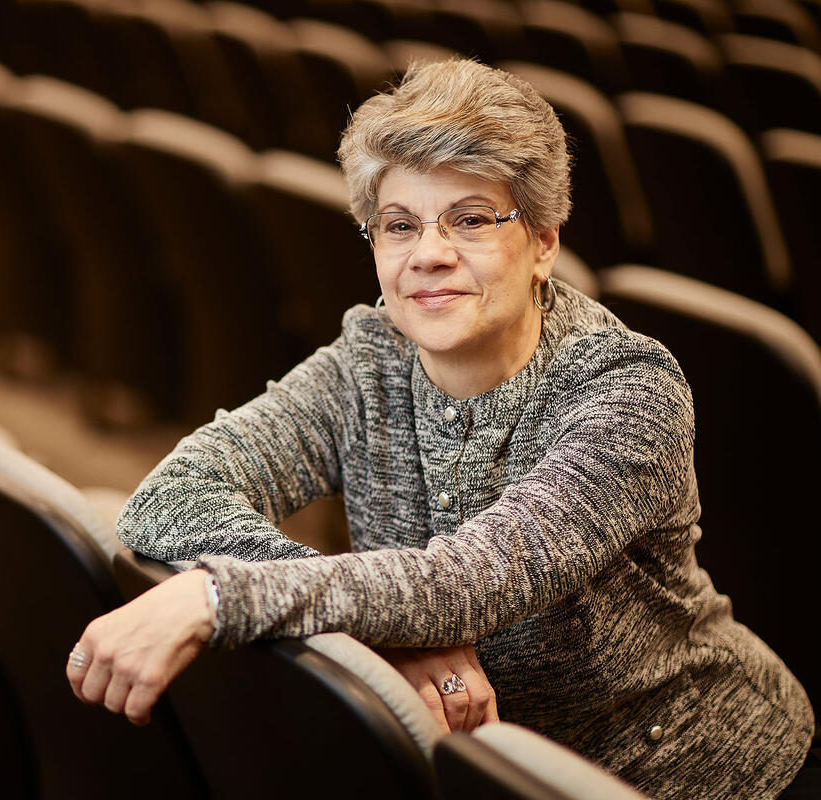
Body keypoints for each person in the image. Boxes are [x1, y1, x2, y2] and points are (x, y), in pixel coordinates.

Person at [65, 58, 815, 798]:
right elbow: (170, 497)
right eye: (398, 226)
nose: (429, 254)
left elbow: (470, 582)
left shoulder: (626, 389)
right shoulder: (370, 358)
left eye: (471, 218)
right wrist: (388, 629)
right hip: (487, 772)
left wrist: (216, 596)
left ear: (544, 241)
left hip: (700, 770)